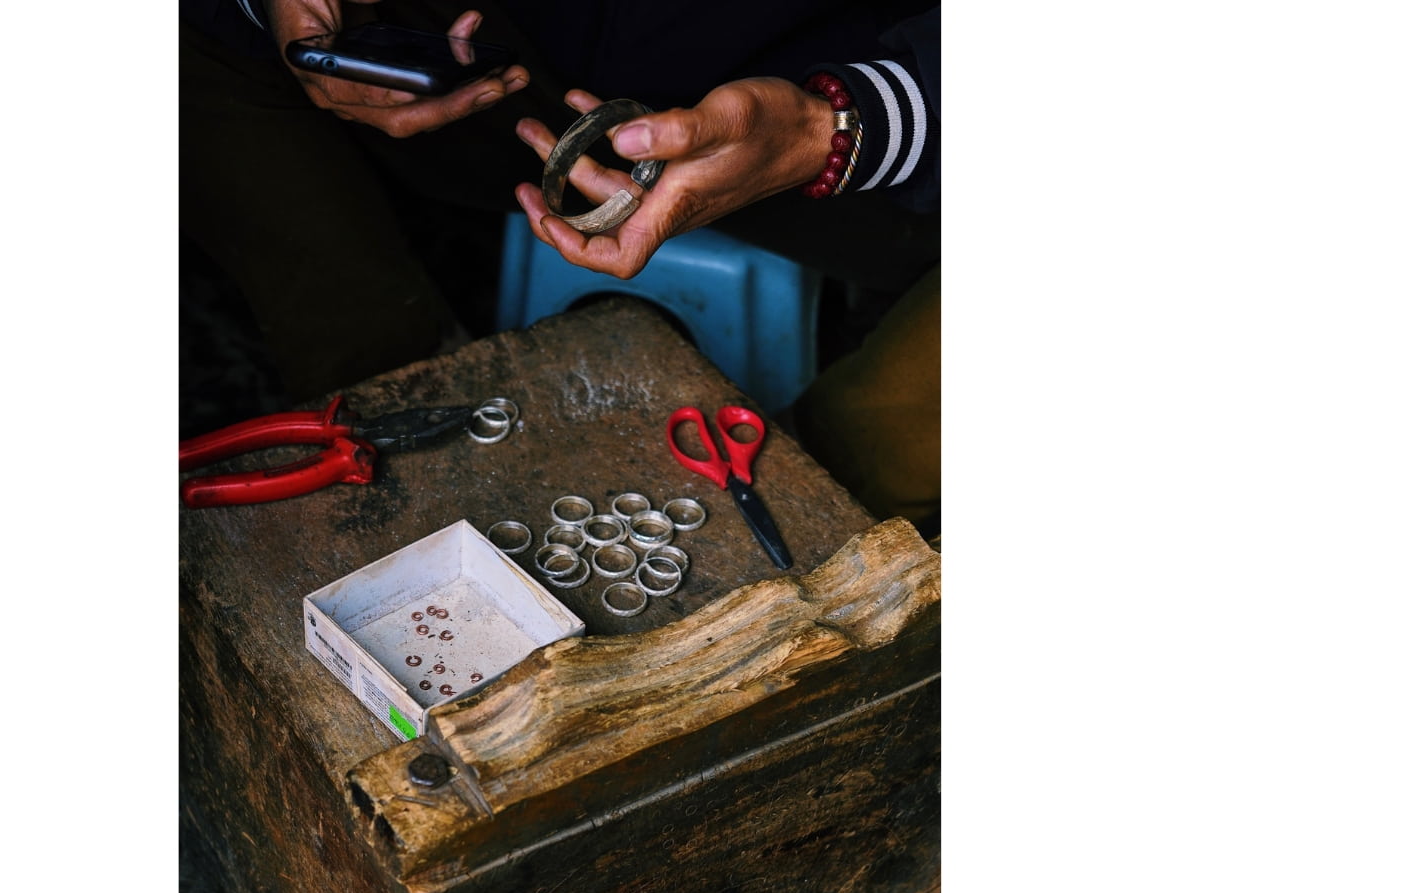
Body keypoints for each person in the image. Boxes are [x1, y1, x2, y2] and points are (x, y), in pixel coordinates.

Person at [180, 0, 940, 530]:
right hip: (489, 63)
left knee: (835, 480)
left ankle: (819, 501)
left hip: (852, 99)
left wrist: (844, 124)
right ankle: (389, 421)